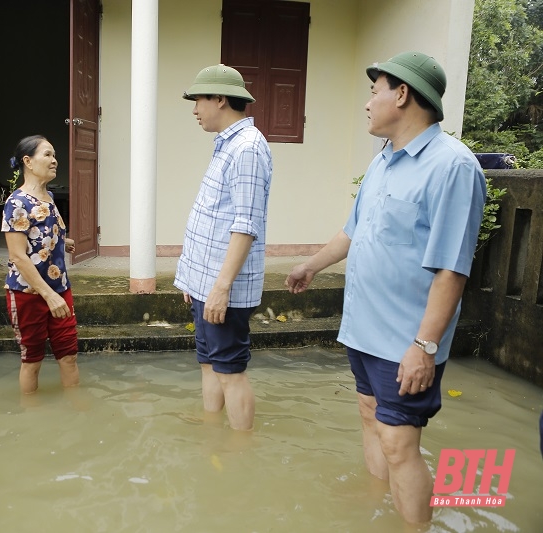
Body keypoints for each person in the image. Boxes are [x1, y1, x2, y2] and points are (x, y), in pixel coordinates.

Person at [285, 52, 486, 524]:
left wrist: (424, 345)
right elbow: (353, 232)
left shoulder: (452, 166)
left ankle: (415, 525)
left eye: (375, 90)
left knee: (399, 442)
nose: (368, 103)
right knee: (369, 418)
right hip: (364, 328)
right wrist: (311, 266)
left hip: (406, 339)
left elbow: (452, 270)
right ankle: (381, 509)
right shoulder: (384, 162)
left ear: (402, 94)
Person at [175, 64, 273, 431]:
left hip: (223, 287)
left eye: (199, 99)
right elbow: (214, 216)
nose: (195, 109)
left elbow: (246, 225)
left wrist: (219, 287)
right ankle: (211, 426)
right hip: (206, 281)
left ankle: (239, 448)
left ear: (220, 98)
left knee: (230, 369)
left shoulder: (247, 148)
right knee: (208, 361)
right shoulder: (228, 145)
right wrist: (194, 279)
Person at [2, 135, 79, 394]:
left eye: (54, 154)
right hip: (29, 294)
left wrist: (62, 241)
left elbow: (40, 232)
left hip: (60, 288)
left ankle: (76, 412)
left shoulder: (50, 197)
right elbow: (18, 256)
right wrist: (48, 296)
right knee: (32, 360)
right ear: (28, 162)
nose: (54, 160)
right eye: (47, 154)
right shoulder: (16, 203)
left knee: (68, 355)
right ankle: (30, 417)